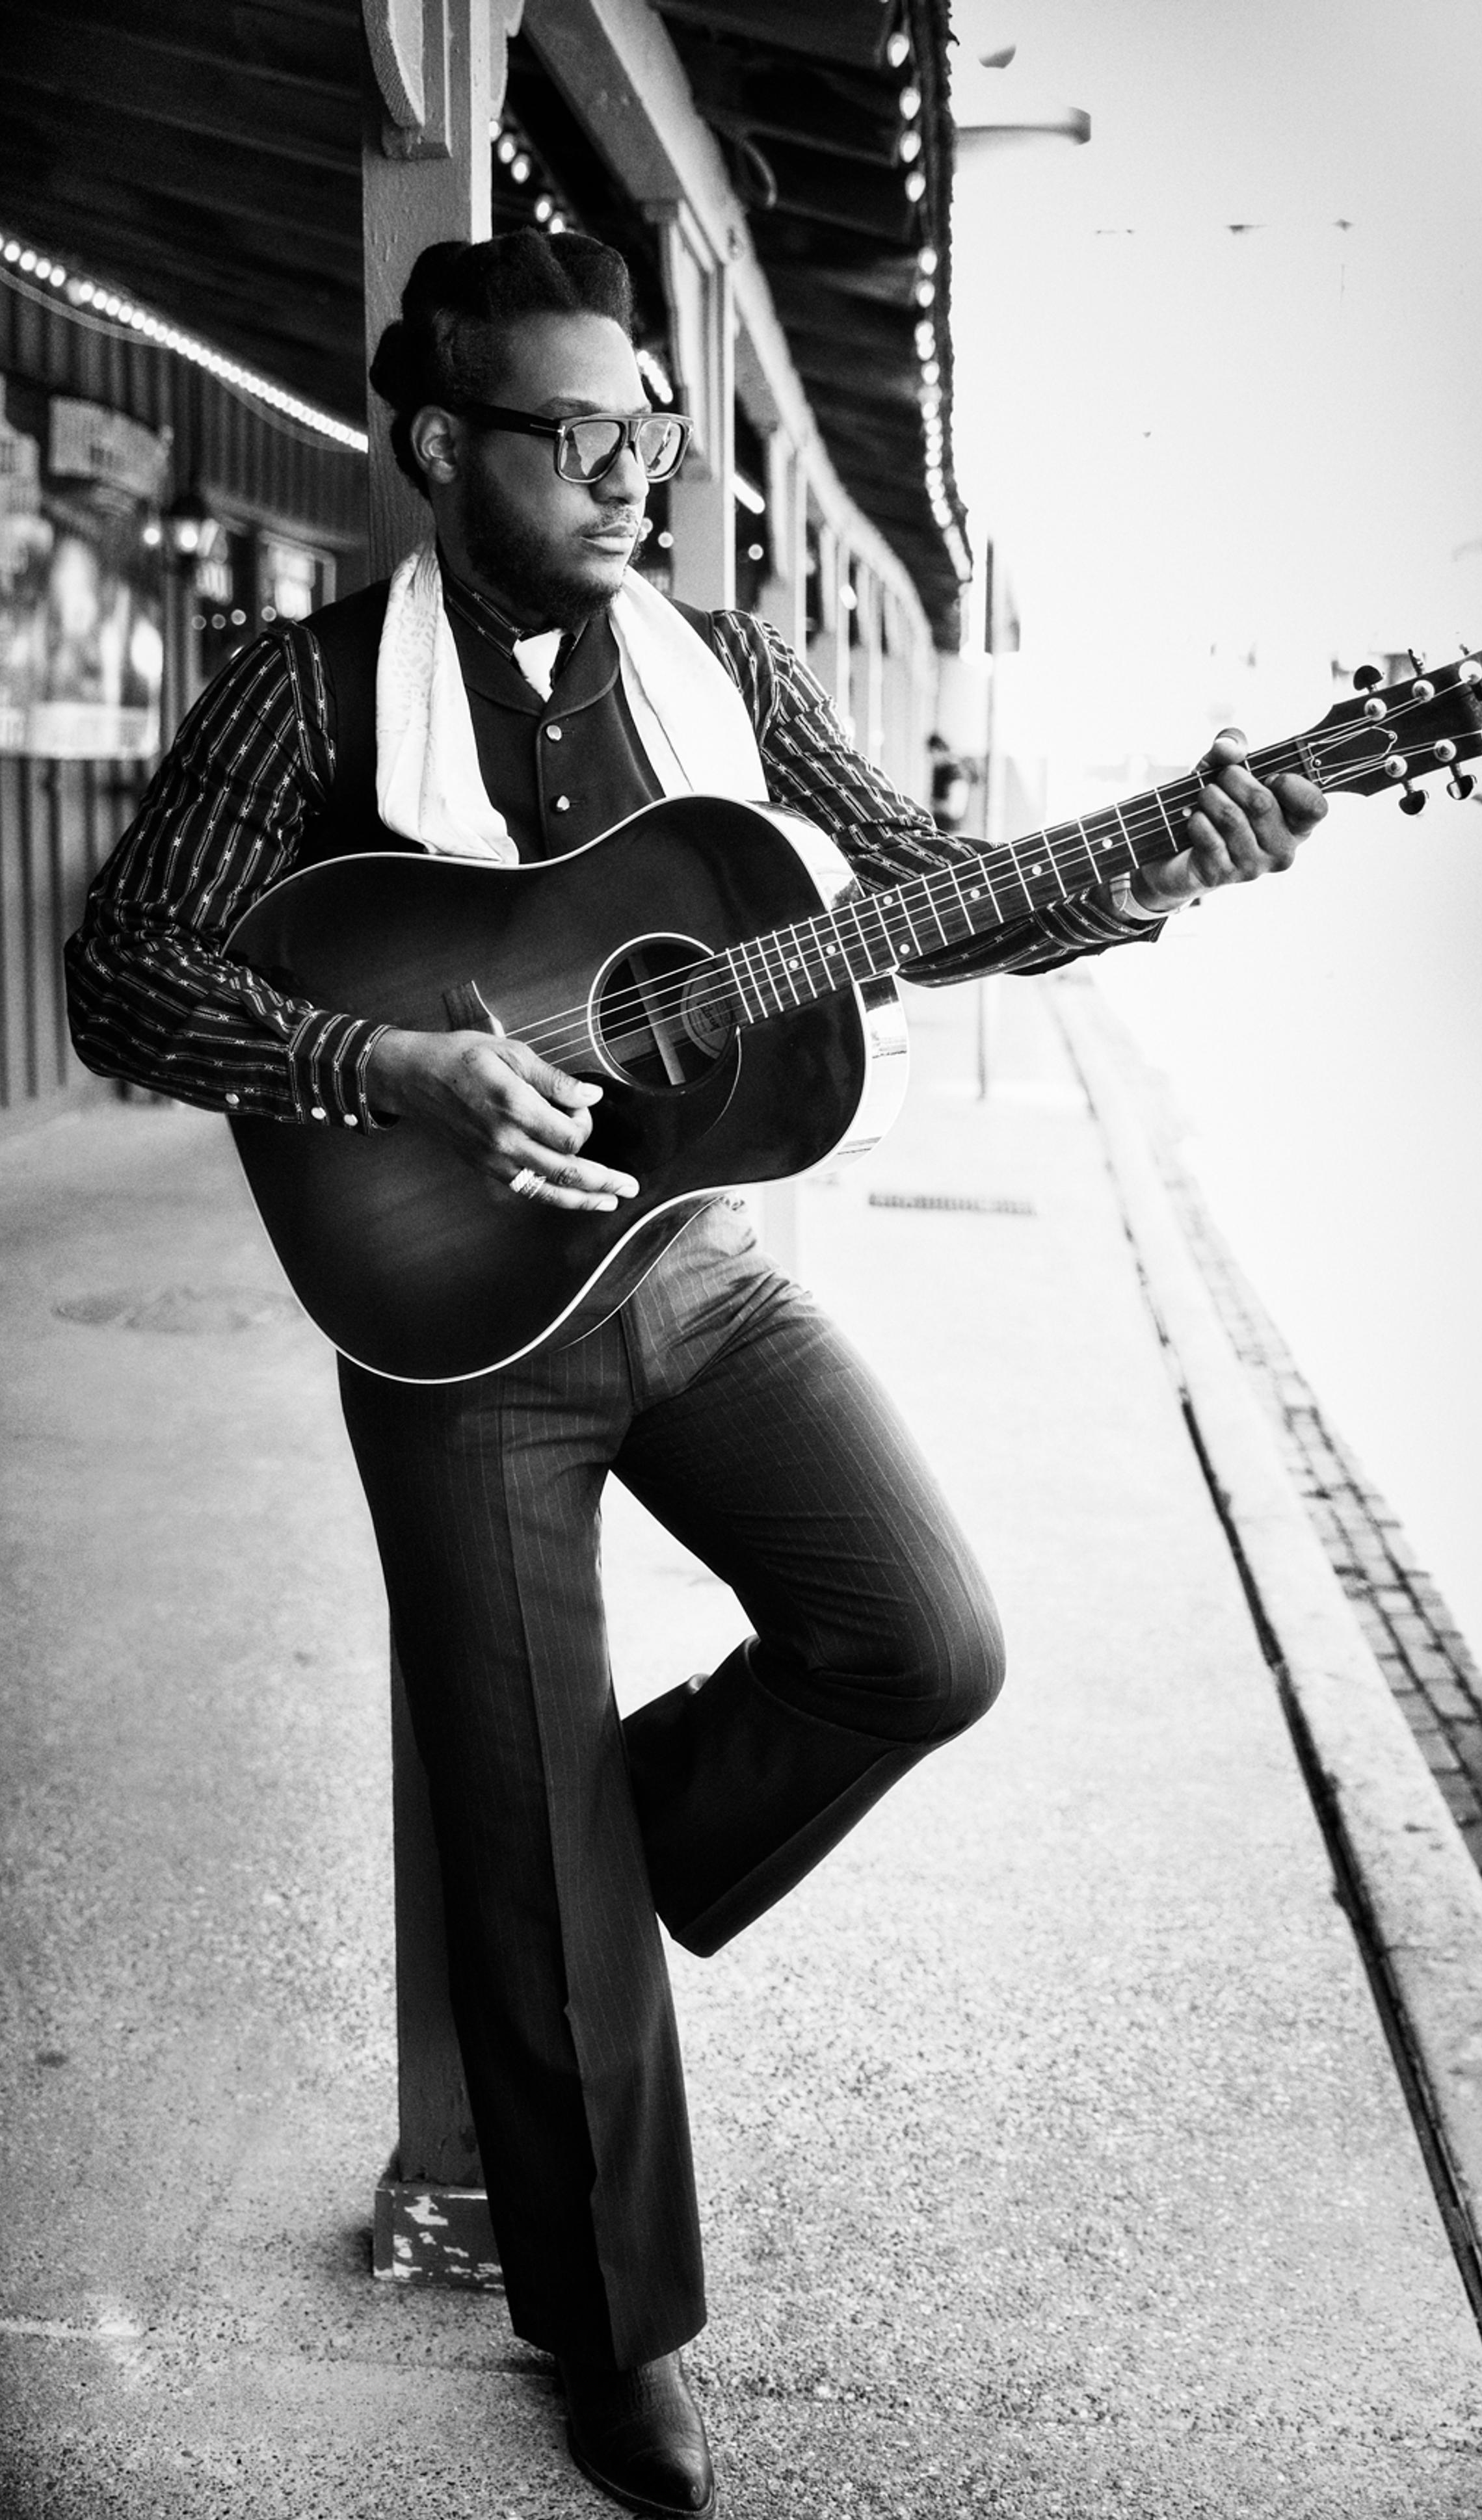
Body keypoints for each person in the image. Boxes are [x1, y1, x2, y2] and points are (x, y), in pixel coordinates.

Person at [64, 230, 1325, 2519]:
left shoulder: (723, 669)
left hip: (698, 1277)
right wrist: (389, 1066)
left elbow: (927, 880)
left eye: (649, 430)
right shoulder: (305, 690)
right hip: (456, 1338)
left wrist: (1165, 866)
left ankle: (580, 1856)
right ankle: (613, 2334)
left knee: (922, 1636)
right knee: (549, 1877)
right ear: (439, 446)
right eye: (580, 437)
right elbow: (126, 972)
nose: (638, 473)